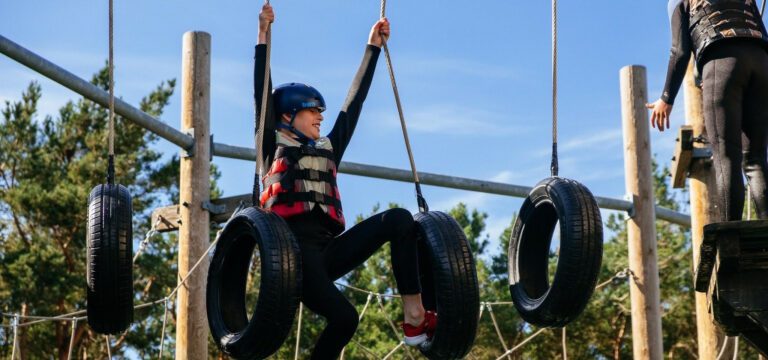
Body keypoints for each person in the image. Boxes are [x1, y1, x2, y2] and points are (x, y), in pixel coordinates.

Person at [253, 3, 436, 358]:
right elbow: (261, 90)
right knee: (345, 318)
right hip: (293, 257)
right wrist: (263, 34)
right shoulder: (270, 146)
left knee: (399, 220)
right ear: (288, 116)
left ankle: (415, 316)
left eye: (321, 111)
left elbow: (353, 105)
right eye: (312, 111)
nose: (321, 117)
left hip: (329, 251)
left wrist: (373, 48)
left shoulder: (328, 149)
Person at [647, 0, 768, 221]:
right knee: (756, 159)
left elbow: (680, 51)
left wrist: (666, 98)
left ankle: (730, 236)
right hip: (761, 64)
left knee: (726, 156)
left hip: (721, 62)